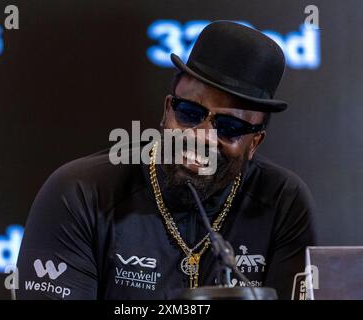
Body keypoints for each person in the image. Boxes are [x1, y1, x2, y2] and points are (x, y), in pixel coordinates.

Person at [16, 21, 316, 300]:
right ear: (167, 110)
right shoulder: (82, 191)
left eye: (230, 128)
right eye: (189, 113)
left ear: (255, 143)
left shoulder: (282, 202)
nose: (202, 137)